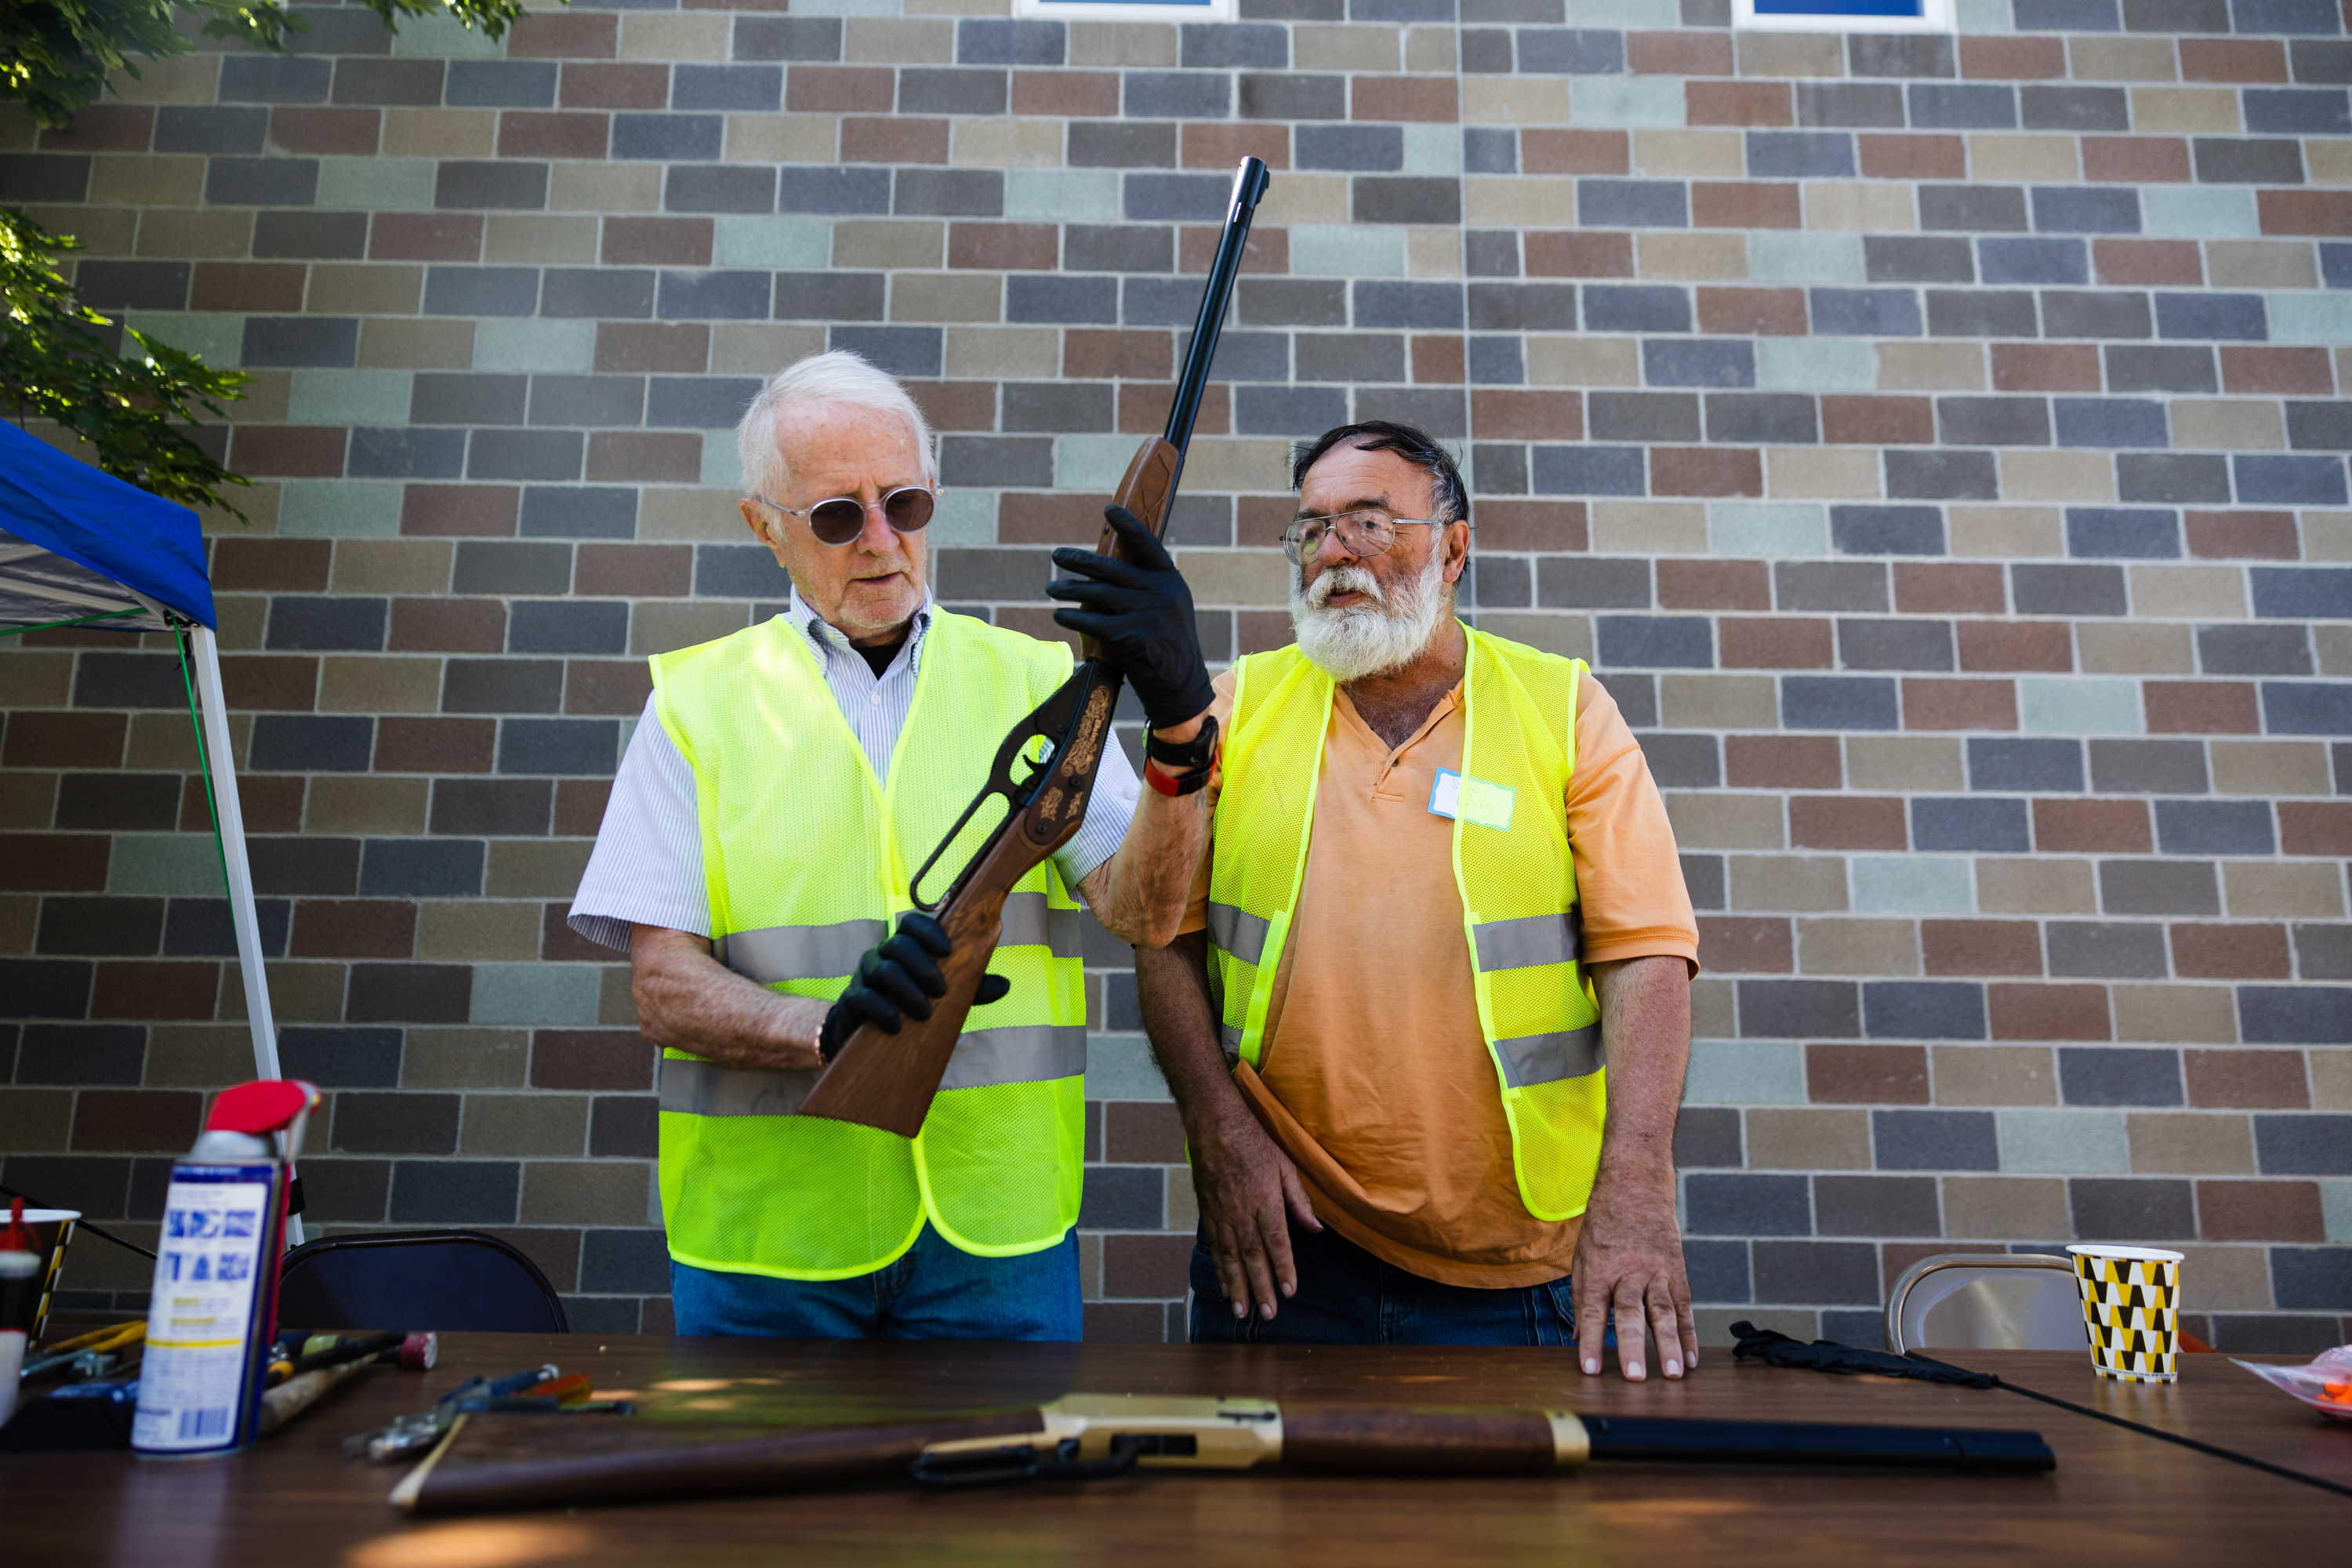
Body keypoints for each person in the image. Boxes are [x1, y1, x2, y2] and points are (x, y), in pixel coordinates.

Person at [568, 350, 1214, 1340]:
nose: (880, 542)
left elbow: (1145, 909)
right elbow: (661, 988)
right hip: (769, 1247)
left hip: (996, 1233)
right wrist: (825, 1030)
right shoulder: (693, 705)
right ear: (765, 527)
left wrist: (1178, 725)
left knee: (1005, 1500)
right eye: (837, 516)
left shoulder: (1036, 677)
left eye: (904, 504)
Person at [1135, 419, 1702, 1378]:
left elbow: (1647, 953)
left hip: (1517, 1269)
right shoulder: (1233, 706)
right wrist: (1217, 1128)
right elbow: (1158, 933)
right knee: (1259, 1527)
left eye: (1368, 521)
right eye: (1312, 529)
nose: (1336, 552)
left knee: (1528, 1529)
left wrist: (1639, 1185)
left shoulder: (1563, 709)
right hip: (1283, 1248)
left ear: (1455, 543)